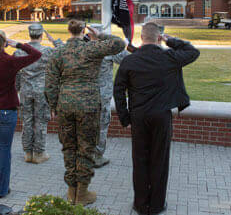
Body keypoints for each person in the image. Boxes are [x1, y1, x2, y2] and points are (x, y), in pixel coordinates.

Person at [113, 22, 200, 215]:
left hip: (138, 117)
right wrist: (171, 41)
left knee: (140, 159)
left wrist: (125, 118)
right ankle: (157, 205)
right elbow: (192, 52)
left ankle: (141, 204)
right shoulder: (169, 57)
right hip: (161, 116)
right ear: (158, 38)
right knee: (160, 159)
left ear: (141, 38)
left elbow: (118, 90)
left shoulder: (130, 61)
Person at [45, 20, 125, 205]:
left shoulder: (58, 52)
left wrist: (54, 106)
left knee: (69, 147)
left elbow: (50, 84)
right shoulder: (92, 49)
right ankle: (82, 193)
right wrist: (99, 34)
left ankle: (72, 191)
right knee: (86, 148)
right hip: (88, 106)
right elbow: (119, 44)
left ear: (68, 30)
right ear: (83, 31)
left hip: (65, 106)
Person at [0, 30, 42, 199]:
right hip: (7, 109)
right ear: (4, 43)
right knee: (4, 150)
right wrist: (18, 44)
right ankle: (2, 189)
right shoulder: (10, 61)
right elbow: (36, 54)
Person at [13, 23, 63, 164]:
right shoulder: (48, 51)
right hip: (42, 91)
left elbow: (16, 72)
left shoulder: (20, 51)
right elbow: (63, 51)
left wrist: (17, 88)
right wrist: (54, 40)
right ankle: (39, 153)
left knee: (27, 121)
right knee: (41, 122)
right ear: (41, 35)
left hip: (26, 90)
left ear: (30, 34)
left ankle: (28, 152)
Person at [87, 24, 133, 169]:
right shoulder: (109, 50)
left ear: (89, 34)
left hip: (84, 95)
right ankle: (97, 157)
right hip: (101, 95)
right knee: (101, 126)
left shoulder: (82, 49)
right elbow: (128, 59)